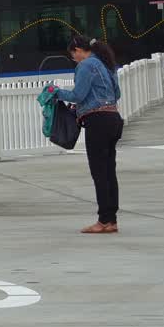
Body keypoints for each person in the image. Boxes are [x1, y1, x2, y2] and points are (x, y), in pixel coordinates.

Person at [47, 34, 124, 234]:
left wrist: (56, 92)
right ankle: (112, 220)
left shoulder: (86, 66)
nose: (75, 60)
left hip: (97, 122)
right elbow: (117, 94)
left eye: (73, 56)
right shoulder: (106, 64)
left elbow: (78, 95)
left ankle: (102, 220)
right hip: (113, 119)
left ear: (79, 50)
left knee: (99, 172)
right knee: (108, 171)